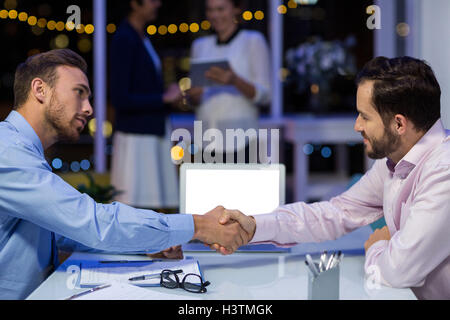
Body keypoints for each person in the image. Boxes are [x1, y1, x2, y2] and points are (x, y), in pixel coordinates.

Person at [0, 49, 251, 300]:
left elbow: (61, 231)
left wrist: (148, 243)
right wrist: (200, 225)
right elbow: (92, 222)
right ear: (39, 89)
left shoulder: (20, 149)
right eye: (79, 93)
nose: (89, 109)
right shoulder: (7, 151)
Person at [211, 57, 450, 300]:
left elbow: (398, 272)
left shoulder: (444, 172)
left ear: (399, 123)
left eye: (365, 116)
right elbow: (334, 213)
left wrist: (377, 246)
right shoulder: (393, 162)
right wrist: (255, 226)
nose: (357, 126)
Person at [109, 0, 182, 209]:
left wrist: (166, 96)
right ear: (134, 3)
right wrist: (163, 98)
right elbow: (120, 97)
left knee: (149, 206)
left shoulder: (141, 37)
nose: (158, 4)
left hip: (149, 131)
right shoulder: (125, 38)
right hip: (136, 137)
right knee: (135, 205)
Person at [187, 0, 271, 163]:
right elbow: (195, 98)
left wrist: (234, 81)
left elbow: (265, 95)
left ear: (236, 9)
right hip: (206, 139)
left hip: (242, 138)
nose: (215, 15)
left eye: (221, 9)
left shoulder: (253, 41)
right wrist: (192, 96)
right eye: (210, 10)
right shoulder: (200, 46)